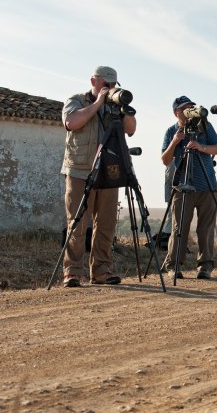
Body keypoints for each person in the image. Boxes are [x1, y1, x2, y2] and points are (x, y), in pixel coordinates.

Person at [61, 66, 136, 287]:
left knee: (105, 224)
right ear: (93, 81)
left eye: (113, 85)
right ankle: (72, 272)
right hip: (80, 170)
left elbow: (131, 130)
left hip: (109, 171)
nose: (110, 88)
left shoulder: (115, 105)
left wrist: (124, 110)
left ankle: (101, 270)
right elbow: (72, 123)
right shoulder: (76, 100)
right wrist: (97, 104)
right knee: (77, 223)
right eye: (106, 84)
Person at [159, 96, 217, 280]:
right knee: (179, 228)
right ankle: (174, 265)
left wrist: (201, 147)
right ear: (176, 112)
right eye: (186, 109)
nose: (189, 112)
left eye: (191, 108)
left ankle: (205, 267)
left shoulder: (205, 125)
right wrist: (175, 141)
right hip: (182, 186)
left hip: (207, 185)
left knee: (206, 229)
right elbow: (165, 160)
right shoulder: (171, 131)